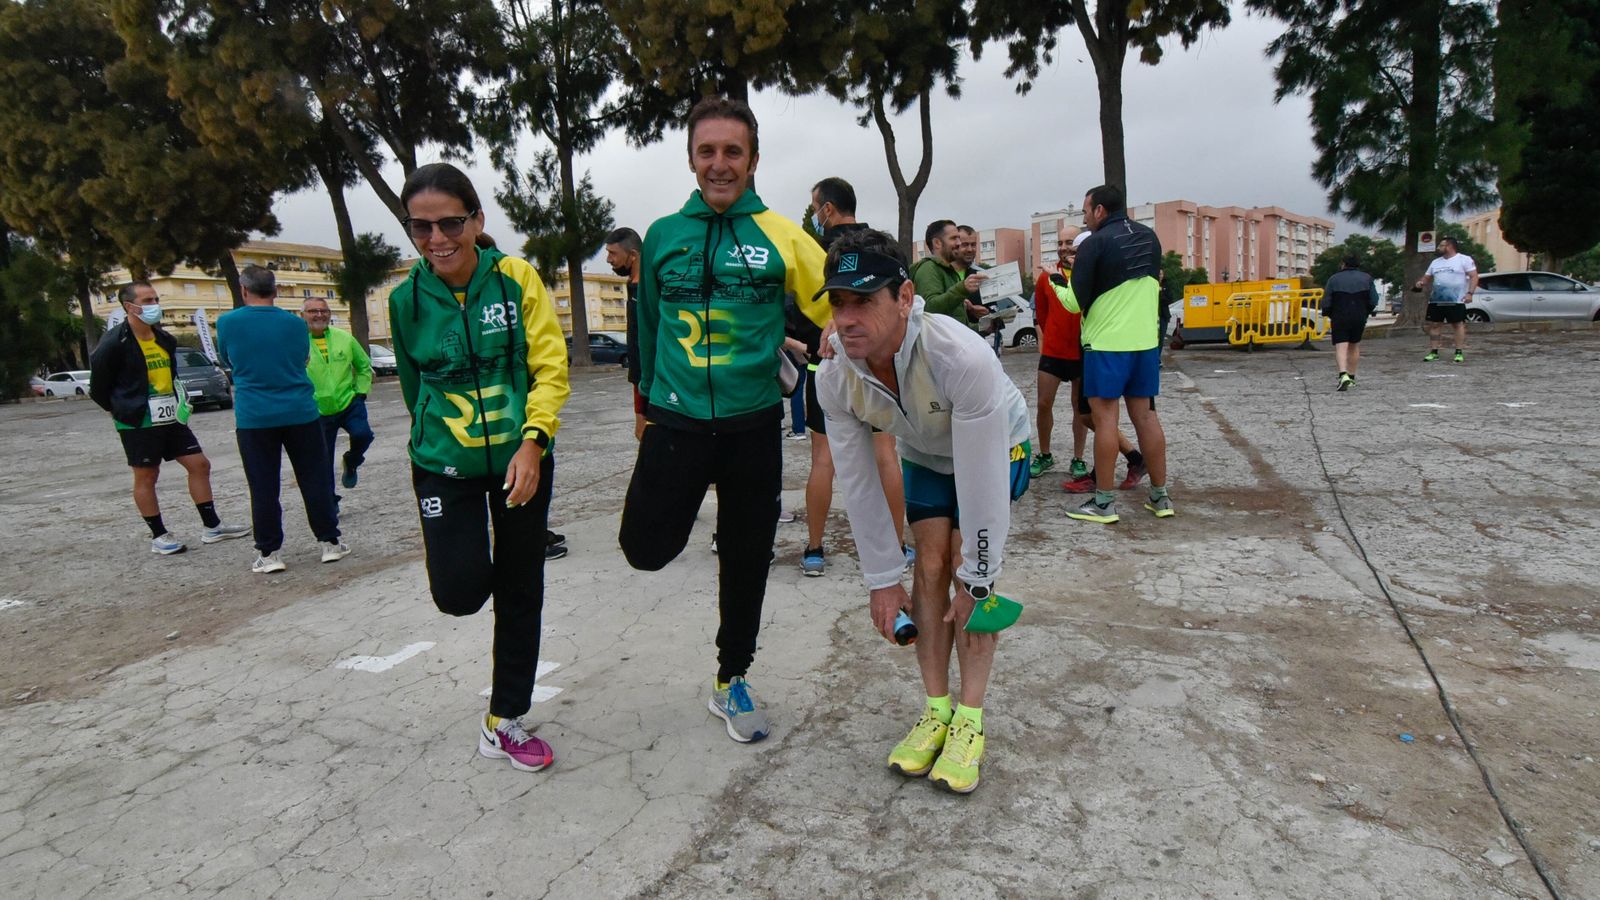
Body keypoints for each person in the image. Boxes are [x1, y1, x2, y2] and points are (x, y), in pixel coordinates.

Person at [619, 97, 830, 744]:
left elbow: (836, 303)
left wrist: (844, 336)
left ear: (753, 160)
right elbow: (648, 328)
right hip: (676, 422)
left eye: (733, 152)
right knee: (644, 549)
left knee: (745, 559)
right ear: (691, 159)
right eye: (706, 151)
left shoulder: (782, 235)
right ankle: (682, 513)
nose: (719, 164)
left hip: (752, 427)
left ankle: (731, 676)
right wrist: (646, 408)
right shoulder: (662, 235)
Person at [813, 228, 1032, 794]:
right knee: (927, 564)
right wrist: (882, 580)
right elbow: (859, 481)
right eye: (838, 303)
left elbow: (980, 482)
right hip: (928, 452)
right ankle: (937, 710)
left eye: (864, 301)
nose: (847, 319)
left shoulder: (959, 355)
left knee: (962, 568)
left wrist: (980, 577)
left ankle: (970, 719)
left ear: (905, 298)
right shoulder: (835, 374)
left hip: (996, 445)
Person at [388, 162, 570, 773]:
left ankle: (504, 719)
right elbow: (414, 389)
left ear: (476, 220)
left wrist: (533, 442)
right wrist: (438, 445)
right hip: (444, 467)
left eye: (450, 223)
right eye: (421, 227)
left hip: (522, 461)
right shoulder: (405, 301)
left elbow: (550, 367)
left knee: (521, 589)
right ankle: (478, 571)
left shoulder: (516, 278)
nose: (438, 238)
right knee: (460, 593)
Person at [797, 176, 911, 578]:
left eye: (815, 207)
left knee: (823, 459)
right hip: (879, 364)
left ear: (826, 208)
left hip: (826, 365)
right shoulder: (880, 248)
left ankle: (814, 548)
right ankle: (897, 545)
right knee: (886, 455)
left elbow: (795, 310)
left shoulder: (814, 250)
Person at [89, 282, 250, 554]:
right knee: (147, 475)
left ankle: (212, 527)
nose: (155, 305)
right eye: (147, 301)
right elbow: (98, 387)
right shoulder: (114, 342)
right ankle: (159, 535)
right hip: (138, 419)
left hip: (170, 415)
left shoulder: (164, 338)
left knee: (199, 464)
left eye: (156, 299)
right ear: (130, 307)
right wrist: (119, 409)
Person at [216, 267, 348, 573]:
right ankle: (329, 542)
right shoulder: (295, 323)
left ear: (244, 290)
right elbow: (303, 358)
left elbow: (226, 358)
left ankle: (269, 551)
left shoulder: (227, 322)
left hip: (254, 415)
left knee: (263, 484)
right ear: (275, 291)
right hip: (300, 410)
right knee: (315, 478)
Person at [1065, 184, 1173, 524]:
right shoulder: (1149, 237)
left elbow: (1073, 302)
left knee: (1106, 422)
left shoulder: (1094, 243)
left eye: (1086, 211)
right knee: (1147, 418)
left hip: (1106, 346)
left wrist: (1056, 280)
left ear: (1099, 210)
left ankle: (1104, 503)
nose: (1085, 218)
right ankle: (1160, 497)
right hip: (1145, 344)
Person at [1052, 231, 1145, 494]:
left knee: (1101, 416)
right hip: (1091, 347)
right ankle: (1135, 458)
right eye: (1065, 247)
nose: (1068, 254)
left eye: (1074, 250)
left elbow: (1073, 303)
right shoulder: (1096, 271)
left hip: (1101, 348)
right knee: (1088, 414)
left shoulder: (1099, 274)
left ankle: (1101, 480)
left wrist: (1057, 278)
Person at [1030, 226, 1089, 480]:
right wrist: (1052, 337)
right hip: (1053, 351)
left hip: (1081, 351)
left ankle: (1078, 458)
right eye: (1060, 242)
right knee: (1043, 404)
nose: (1064, 247)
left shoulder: (1088, 274)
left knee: (1080, 408)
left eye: (1069, 242)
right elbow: (1042, 314)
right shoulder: (1046, 277)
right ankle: (1045, 454)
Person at [301, 298, 374, 498]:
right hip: (317, 409)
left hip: (349, 403)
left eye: (324, 311)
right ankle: (330, 503)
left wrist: (361, 392)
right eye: (313, 311)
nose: (319, 315)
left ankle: (351, 461)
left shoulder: (345, 338)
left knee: (363, 435)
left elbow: (364, 366)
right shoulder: (297, 343)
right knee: (323, 461)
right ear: (303, 315)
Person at [605, 227, 646, 441]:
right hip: (639, 383)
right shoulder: (632, 286)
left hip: (654, 387)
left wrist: (641, 410)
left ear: (633, 255)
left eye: (613, 253)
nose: (608, 259)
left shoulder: (650, 290)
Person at [909, 220, 985, 329]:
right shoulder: (928, 269)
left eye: (958, 238)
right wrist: (962, 288)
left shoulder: (947, 271)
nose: (959, 243)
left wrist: (984, 327)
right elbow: (929, 309)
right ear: (937, 243)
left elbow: (957, 327)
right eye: (954, 238)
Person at [1415, 236, 1477, 363]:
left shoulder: (1464, 259)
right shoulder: (1435, 262)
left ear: (1449, 246)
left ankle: (1458, 352)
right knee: (1435, 324)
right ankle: (1434, 352)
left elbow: (1474, 276)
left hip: (1456, 300)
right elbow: (1426, 277)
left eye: (1441, 245)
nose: (1438, 248)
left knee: (1457, 324)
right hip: (1436, 300)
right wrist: (1421, 283)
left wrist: (1470, 293)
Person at [1323, 255, 1381, 390]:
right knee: (1354, 345)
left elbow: (1326, 301)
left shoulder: (1334, 279)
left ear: (1343, 264)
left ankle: (1343, 374)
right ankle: (1352, 377)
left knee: (1341, 346)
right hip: (1359, 316)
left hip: (1339, 315)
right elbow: (1374, 299)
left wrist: (1328, 313)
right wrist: (1366, 311)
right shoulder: (1367, 278)